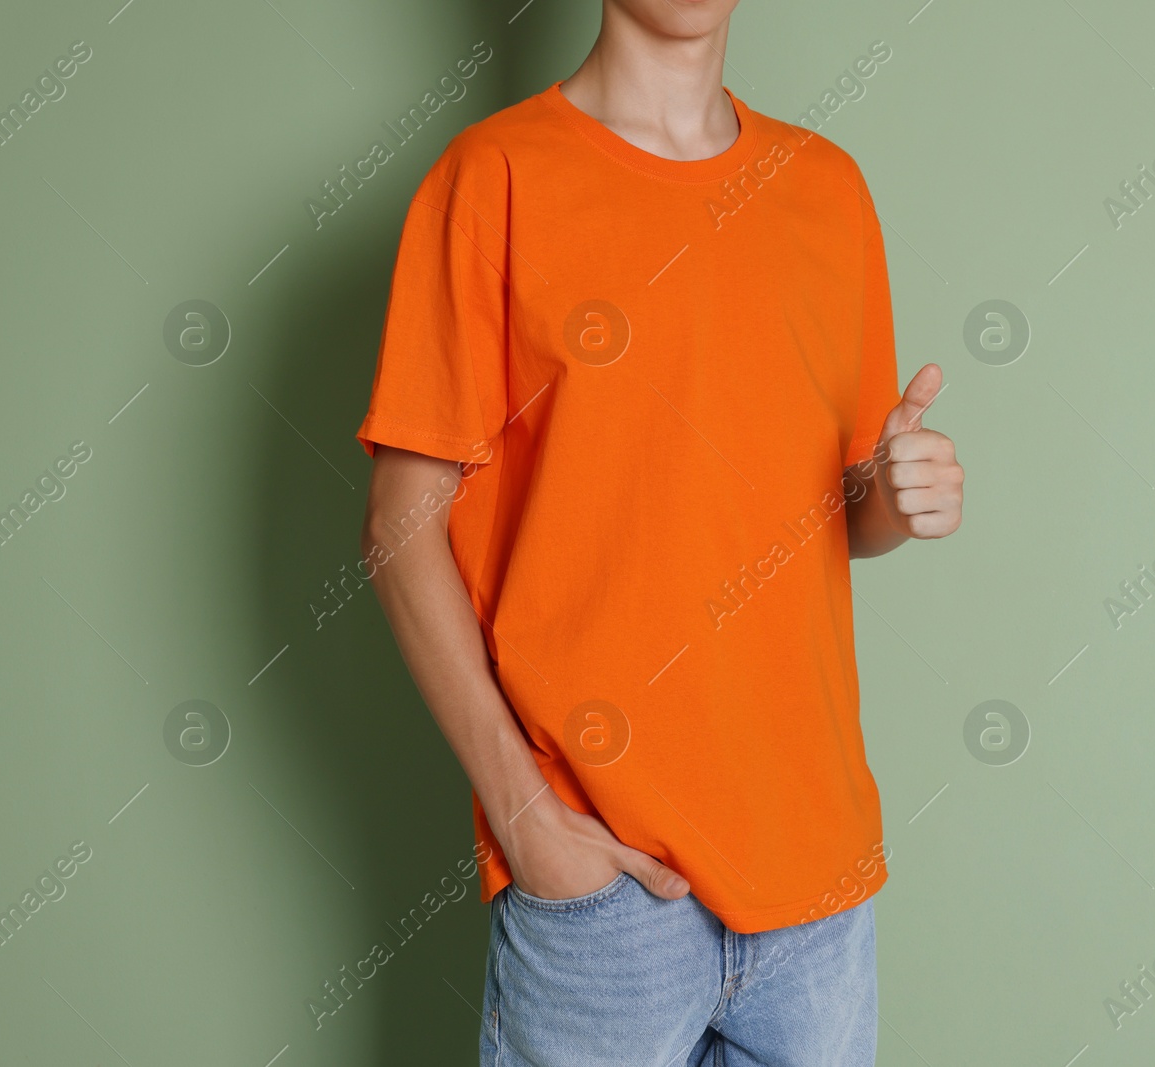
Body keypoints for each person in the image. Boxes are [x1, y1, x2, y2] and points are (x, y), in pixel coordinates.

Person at [355, 0, 963, 1062]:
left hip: (816, 882)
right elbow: (401, 528)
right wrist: (525, 815)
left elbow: (834, 513)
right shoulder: (492, 177)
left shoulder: (825, 188)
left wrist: (898, 501)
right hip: (603, 890)